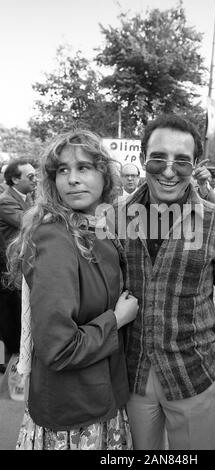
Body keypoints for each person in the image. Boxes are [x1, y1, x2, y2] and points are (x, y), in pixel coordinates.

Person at [114, 114, 215, 450]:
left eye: (182, 161)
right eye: (158, 157)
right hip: (132, 376)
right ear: (144, 158)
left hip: (195, 374)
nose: (169, 170)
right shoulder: (115, 217)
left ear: (194, 165)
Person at [6, 129, 138, 450]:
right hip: (74, 414)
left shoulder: (99, 227)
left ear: (104, 175)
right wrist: (117, 320)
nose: (72, 179)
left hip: (102, 398)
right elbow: (59, 347)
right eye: (62, 170)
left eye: (84, 168)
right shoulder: (54, 238)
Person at [0, 159, 37, 376]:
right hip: (9, 272)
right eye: (30, 177)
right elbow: (30, 222)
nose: (36, 180)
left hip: (23, 268)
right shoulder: (5, 201)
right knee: (12, 322)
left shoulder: (27, 197)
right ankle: (13, 368)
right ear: (15, 179)